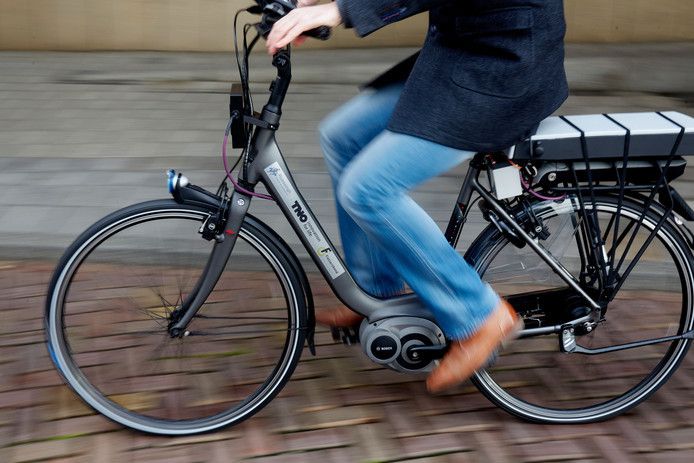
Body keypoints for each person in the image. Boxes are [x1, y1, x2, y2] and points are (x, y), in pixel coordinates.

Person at [266, 0, 568, 392]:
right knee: (343, 135)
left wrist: (340, 11)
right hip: (459, 55)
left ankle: (481, 315)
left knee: (368, 190)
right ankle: (378, 293)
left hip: (503, 68)